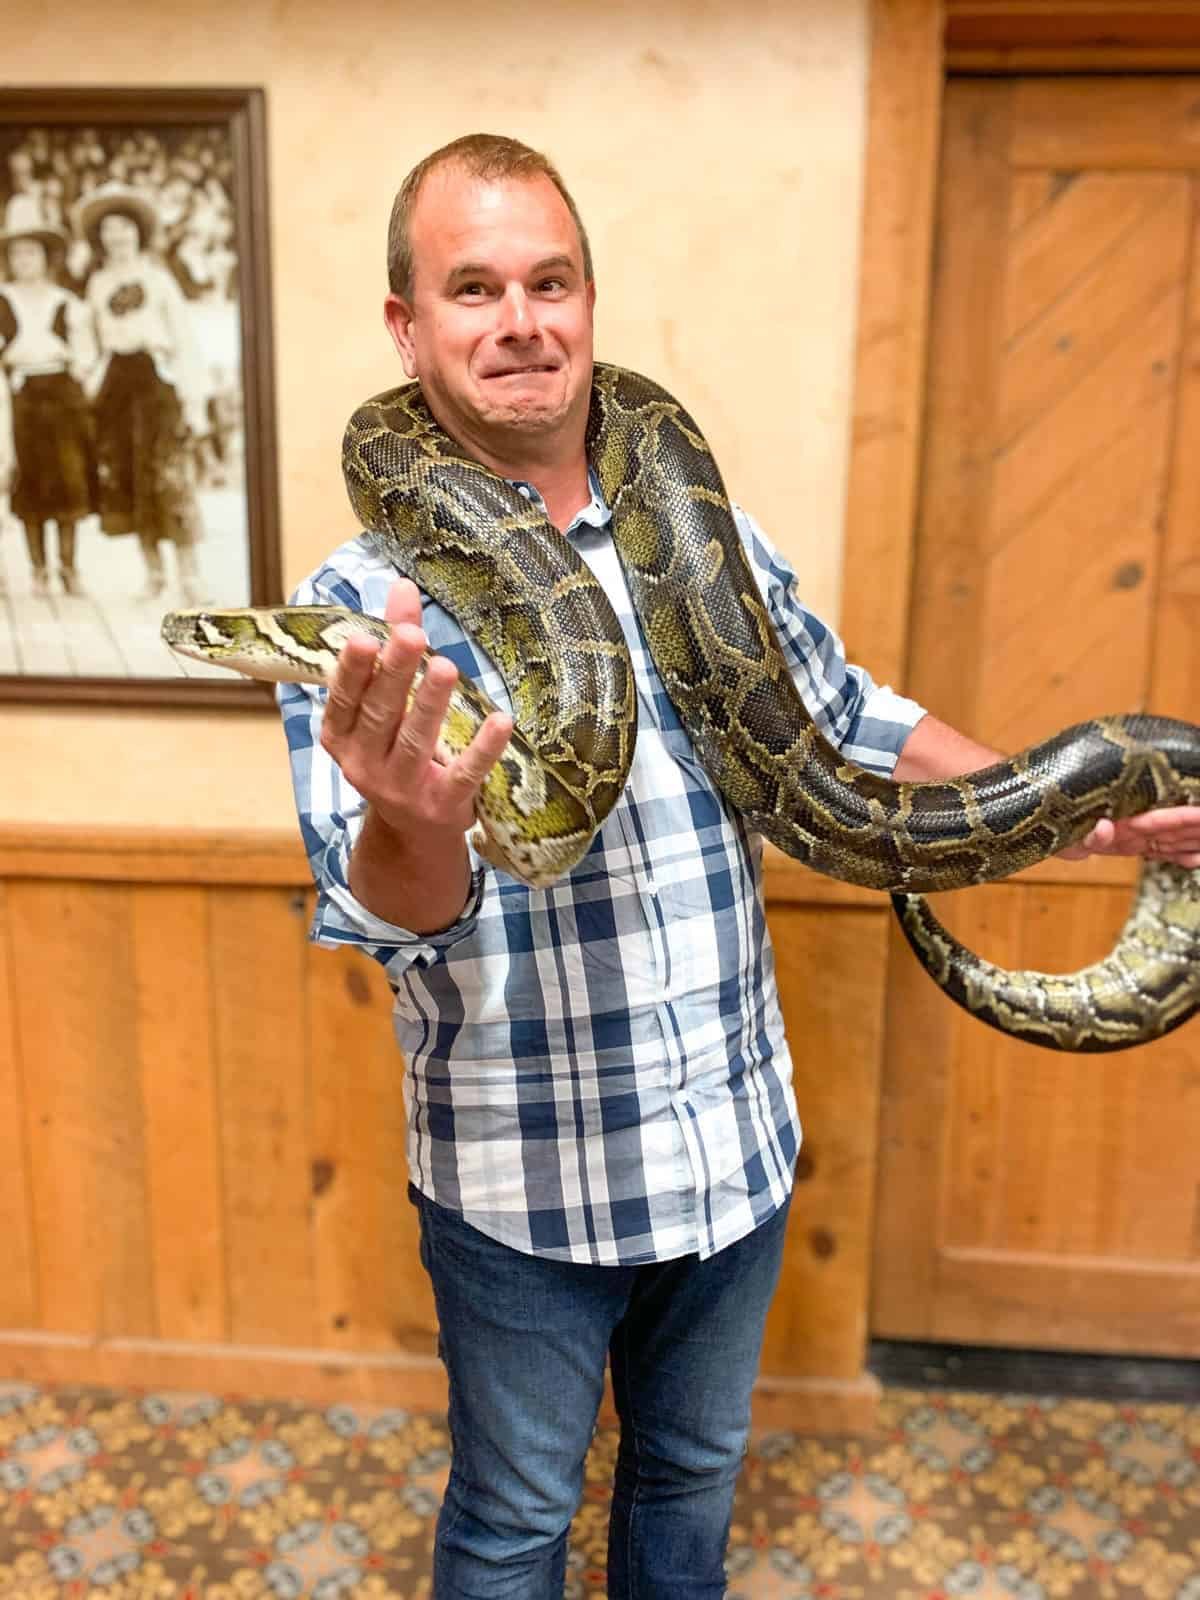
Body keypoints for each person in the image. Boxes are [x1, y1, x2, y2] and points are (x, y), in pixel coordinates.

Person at [278, 135, 1200, 1600]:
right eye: (473, 288)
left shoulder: (703, 531)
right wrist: (416, 818)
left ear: (588, 303)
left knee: (692, 1480)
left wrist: (1071, 815)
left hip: (732, 1144)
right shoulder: (358, 609)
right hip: (526, 1181)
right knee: (517, 1516)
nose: (520, 318)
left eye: (550, 281)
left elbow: (850, 722)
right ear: (409, 329)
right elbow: (381, 911)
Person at [74, 181, 210, 604]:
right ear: (101, 238)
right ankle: (154, 575)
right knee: (131, 476)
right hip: (117, 383)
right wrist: (89, 375)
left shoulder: (159, 279)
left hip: (157, 380)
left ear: (138, 233)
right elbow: (86, 338)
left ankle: (190, 577)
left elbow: (184, 339)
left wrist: (193, 398)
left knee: (169, 476)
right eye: (109, 230)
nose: (118, 237)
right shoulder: (96, 284)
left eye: (125, 228)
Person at [0, 204, 96, 596]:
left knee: (69, 480)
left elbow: (86, 353)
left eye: (33, 253)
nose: (25, 261)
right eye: (17, 254)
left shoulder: (66, 302)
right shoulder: (3, 300)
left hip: (62, 396)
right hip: (22, 395)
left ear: (46, 257)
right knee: (31, 484)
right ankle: (38, 569)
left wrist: (75, 369)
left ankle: (69, 567)